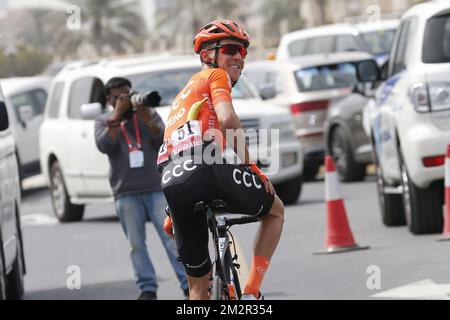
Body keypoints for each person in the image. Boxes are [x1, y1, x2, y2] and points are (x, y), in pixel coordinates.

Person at [157, 20, 285, 300]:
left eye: (243, 52)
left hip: (172, 183)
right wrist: (252, 167)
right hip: (207, 171)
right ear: (207, 56)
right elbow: (228, 119)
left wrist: (174, 212)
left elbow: (175, 153)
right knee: (275, 210)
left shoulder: (182, 98)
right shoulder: (216, 77)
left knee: (196, 288)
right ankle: (251, 293)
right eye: (230, 49)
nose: (239, 57)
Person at [94, 77, 189, 300]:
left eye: (127, 94)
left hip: (156, 187)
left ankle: (188, 283)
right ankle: (147, 288)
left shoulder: (145, 113)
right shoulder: (103, 120)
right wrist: (117, 116)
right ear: (108, 99)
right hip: (125, 192)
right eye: (118, 97)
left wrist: (146, 116)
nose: (124, 99)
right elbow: (104, 145)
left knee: (171, 239)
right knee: (136, 245)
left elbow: (163, 139)